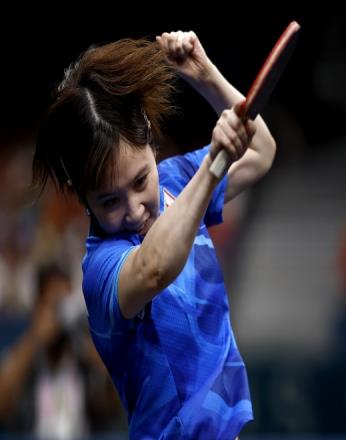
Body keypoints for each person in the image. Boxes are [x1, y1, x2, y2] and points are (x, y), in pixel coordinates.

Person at [32, 30, 276, 439]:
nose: (134, 210)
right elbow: (154, 269)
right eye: (109, 201)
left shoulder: (179, 179)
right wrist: (213, 164)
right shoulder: (102, 268)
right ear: (82, 197)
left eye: (140, 180)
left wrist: (205, 76)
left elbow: (260, 152)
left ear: (149, 136)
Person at [0, 263, 124, 438]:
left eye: (64, 305)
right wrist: (34, 341)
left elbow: (117, 407)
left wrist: (94, 350)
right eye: (53, 306)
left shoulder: (83, 361)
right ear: (38, 309)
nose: (60, 316)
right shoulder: (26, 357)